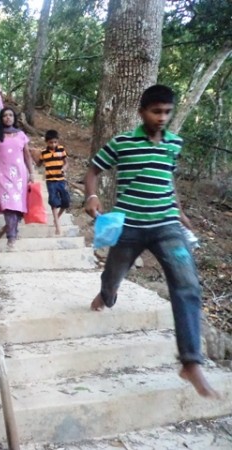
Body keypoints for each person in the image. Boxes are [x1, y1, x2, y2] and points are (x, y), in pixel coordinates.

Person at [84, 84, 218, 399]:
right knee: (114, 275)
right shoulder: (122, 143)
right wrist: (91, 195)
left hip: (166, 225)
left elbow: (167, 179)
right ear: (142, 112)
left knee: (187, 283)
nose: (162, 118)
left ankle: (190, 361)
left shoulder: (174, 143)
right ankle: (107, 294)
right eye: (156, 111)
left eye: (167, 112)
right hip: (129, 226)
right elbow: (93, 170)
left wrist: (180, 213)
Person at [0, 107, 35, 249]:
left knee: (17, 206)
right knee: (8, 206)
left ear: (14, 118)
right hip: (2, 175)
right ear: (1, 119)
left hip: (19, 175)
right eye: (5, 115)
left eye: (10, 115)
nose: (8, 118)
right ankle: (11, 236)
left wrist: (32, 173)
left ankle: (14, 228)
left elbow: (27, 156)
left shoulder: (21, 135)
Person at [34, 129, 70, 235]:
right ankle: (58, 226)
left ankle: (56, 219)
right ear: (47, 142)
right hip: (50, 181)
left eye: (55, 142)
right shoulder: (44, 153)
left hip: (61, 180)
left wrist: (64, 168)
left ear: (58, 141)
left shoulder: (61, 150)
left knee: (66, 201)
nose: (53, 144)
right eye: (51, 142)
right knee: (54, 202)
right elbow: (38, 164)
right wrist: (33, 155)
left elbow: (67, 163)